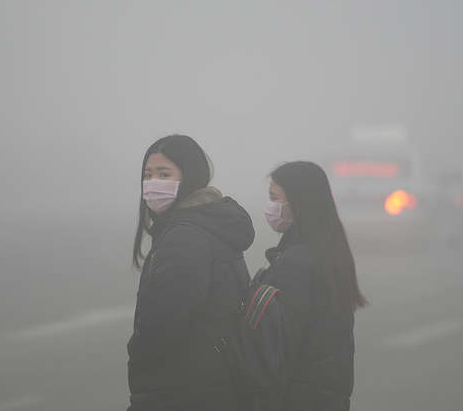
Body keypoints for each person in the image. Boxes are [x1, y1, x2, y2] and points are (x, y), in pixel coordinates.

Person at [127, 134, 255, 411]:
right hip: (212, 386)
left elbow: (164, 327)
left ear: (190, 177)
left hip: (182, 392)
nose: (152, 184)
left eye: (164, 174)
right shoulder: (207, 226)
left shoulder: (184, 238)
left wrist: (138, 357)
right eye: (148, 175)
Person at [257, 161, 367, 411]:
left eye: (274, 198)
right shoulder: (326, 251)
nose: (270, 207)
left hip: (298, 397)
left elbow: (279, 348)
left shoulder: (298, 262)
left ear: (299, 202)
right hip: (325, 395)